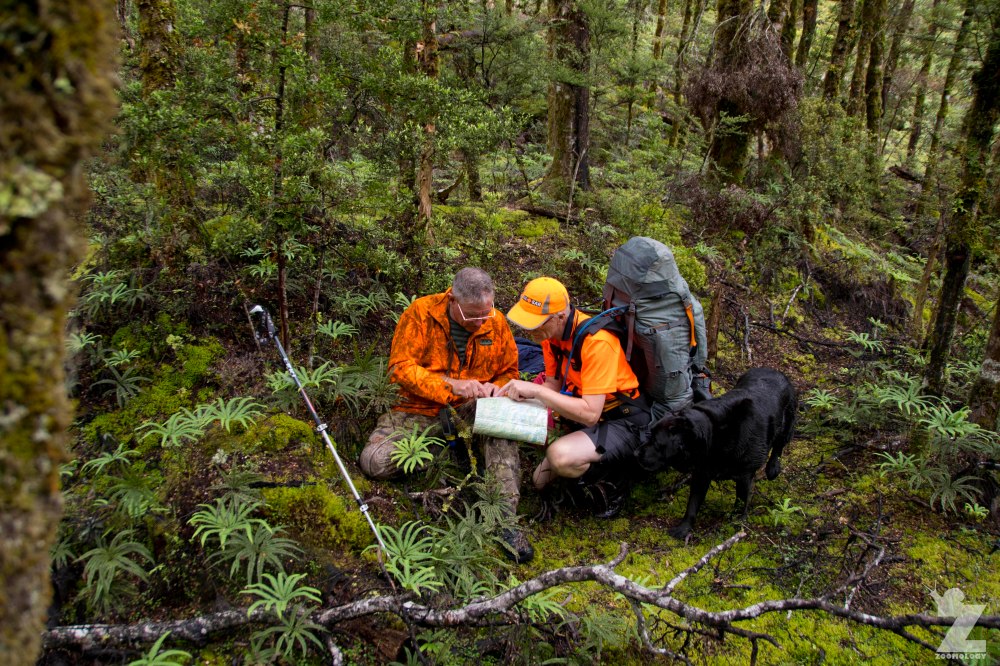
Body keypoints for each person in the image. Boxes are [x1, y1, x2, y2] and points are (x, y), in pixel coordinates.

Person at [358, 267, 533, 563]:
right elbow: (400, 367)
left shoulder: (496, 322)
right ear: (453, 299)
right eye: (473, 315)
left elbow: (509, 371)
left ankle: (504, 519)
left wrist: (495, 389)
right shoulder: (421, 314)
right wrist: (451, 385)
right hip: (419, 409)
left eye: (486, 314)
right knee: (374, 461)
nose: (480, 322)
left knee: (502, 421)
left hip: (474, 409)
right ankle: (447, 453)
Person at [498, 276, 650, 518]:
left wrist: (536, 392)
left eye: (538, 323)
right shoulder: (551, 338)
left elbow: (590, 414)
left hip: (623, 420)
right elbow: (553, 385)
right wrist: (516, 399)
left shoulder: (598, 343)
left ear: (560, 316)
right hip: (589, 415)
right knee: (539, 481)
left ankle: (615, 482)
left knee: (560, 457)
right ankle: (584, 469)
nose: (531, 331)